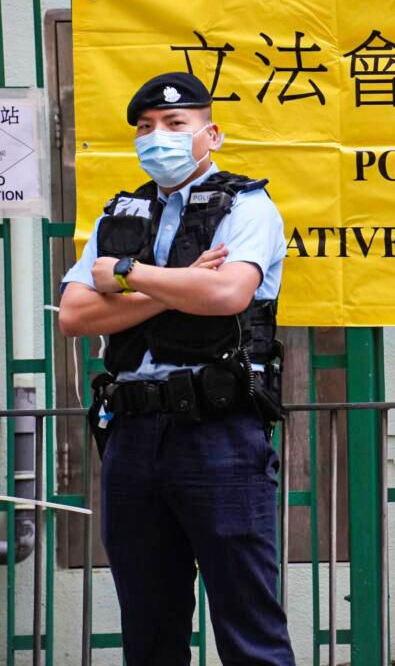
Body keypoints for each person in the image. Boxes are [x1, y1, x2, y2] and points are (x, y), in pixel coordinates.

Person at [58, 71, 295, 666]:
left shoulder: (248, 205)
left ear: (209, 135)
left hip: (218, 433)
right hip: (132, 435)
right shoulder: (119, 212)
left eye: (174, 124)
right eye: (144, 127)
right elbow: (76, 313)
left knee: (248, 623)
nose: (155, 136)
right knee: (149, 624)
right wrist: (179, 284)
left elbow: (228, 295)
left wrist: (127, 275)